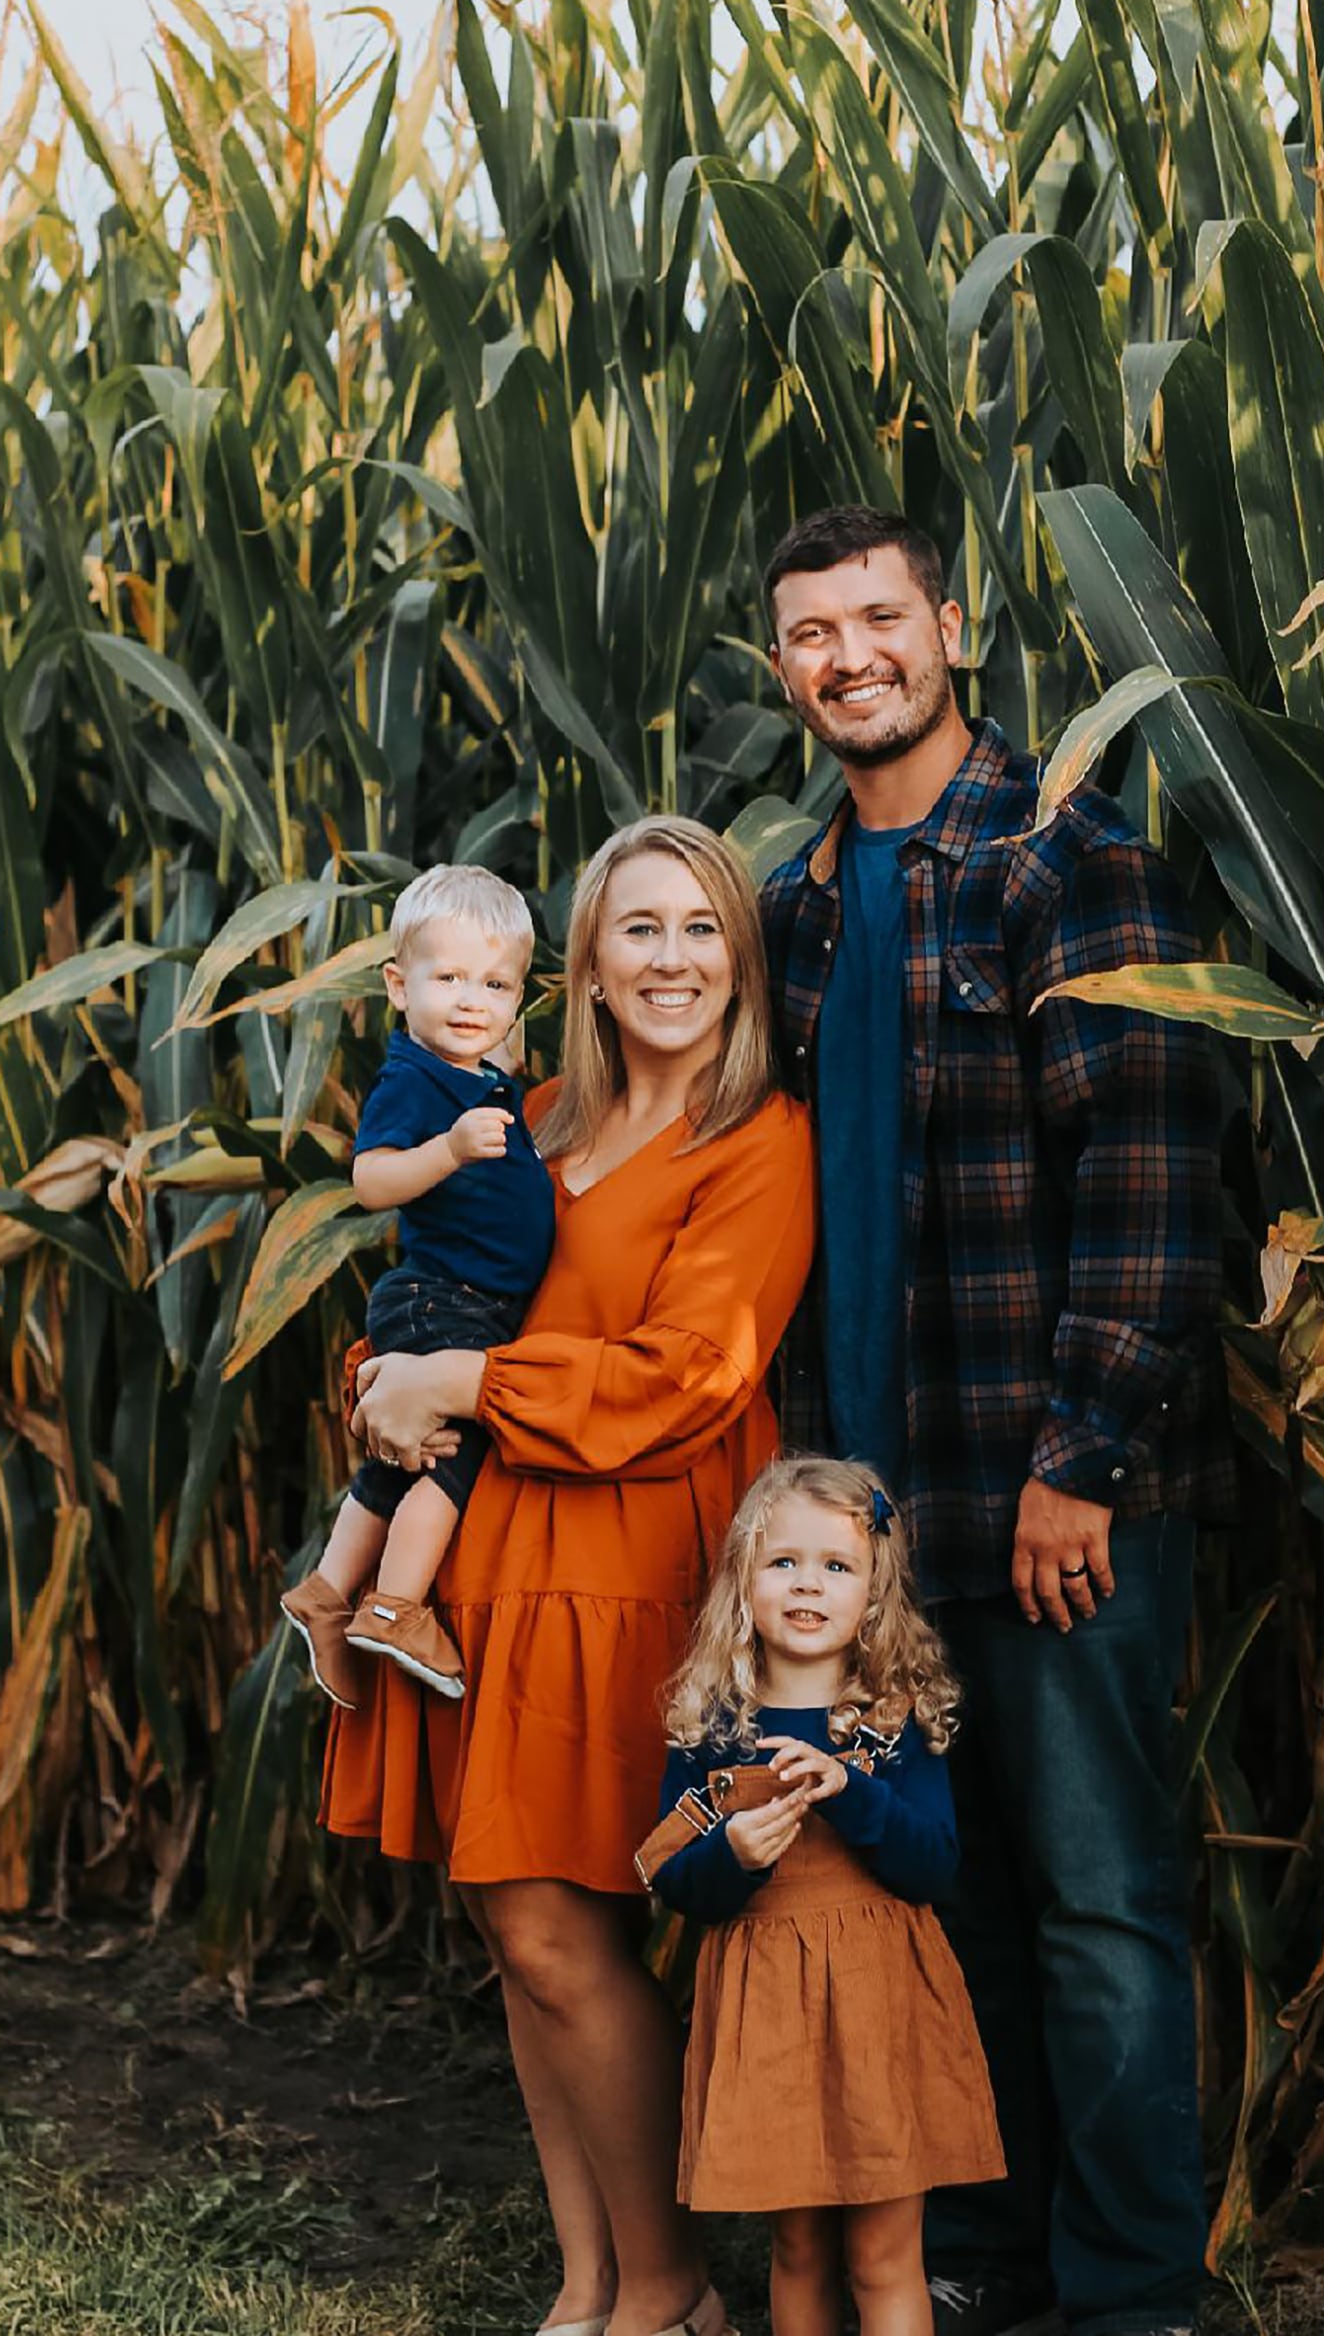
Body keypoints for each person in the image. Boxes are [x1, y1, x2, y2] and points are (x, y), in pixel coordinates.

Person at [760, 507, 1233, 2336]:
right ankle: (989, 2256)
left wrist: (1078, 1459)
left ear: (952, 628)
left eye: (880, 617)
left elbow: (1148, 1168)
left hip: (1049, 1495)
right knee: (947, 1898)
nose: (850, 656)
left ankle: (1132, 2297)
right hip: (877, 1518)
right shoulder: (797, 910)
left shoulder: (1068, 863)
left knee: (1101, 1900)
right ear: (785, 672)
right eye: (813, 634)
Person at [321, 816, 815, 2336]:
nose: (672, 959)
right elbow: (427, 1302)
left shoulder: (757, 1141)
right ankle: (591, 2279)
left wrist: (459, 1385)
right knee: (514, 1926)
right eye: (638, 930)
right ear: (584, 968)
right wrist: (382, 1381)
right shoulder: (522, 1118)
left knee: (561, 1925)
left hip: (629, 1556)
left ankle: (672, 2294)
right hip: (489, 1564)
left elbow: (689, 1374)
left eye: (702, 929)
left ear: (740, 959)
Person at [645, 1455, 1004, 2336]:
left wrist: (853, 1791)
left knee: (884, 2253)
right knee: (799, 2250)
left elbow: (935, 1866)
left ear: (875, 1595)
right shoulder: (714, 1726)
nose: (809, 1584)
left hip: (882, 2005)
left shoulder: (893, 1720)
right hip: (767, 2012)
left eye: (837, 1567)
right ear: (744, 1583)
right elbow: (676, 1880)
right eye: (784, 1563)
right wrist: (733, 1852)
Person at [282, 864, 554, 1705]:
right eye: (450, 978)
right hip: (447, 1298)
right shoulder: (415, 1080)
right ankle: (397, 1606)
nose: (473, 999)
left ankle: (328, 1591)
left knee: (401, 1467)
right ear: (399, 986)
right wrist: (450, 1152)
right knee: (457, 1455)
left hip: (459, 1298)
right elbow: (370, 1183)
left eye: (496, 982)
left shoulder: (481, 1076)